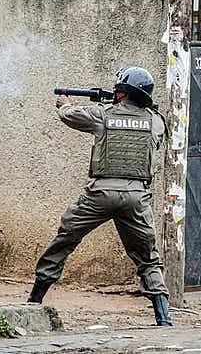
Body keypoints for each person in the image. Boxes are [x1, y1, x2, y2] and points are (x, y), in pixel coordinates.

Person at [27, 66, 173, 327]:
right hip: (137, 196)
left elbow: (70, 115)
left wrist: (64, 104)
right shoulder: (156, 120)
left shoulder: (102, 115)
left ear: (122, 92)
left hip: (100, 194)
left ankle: (34, 301)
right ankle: (163, 316)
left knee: (66, 237)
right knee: (148, 256)